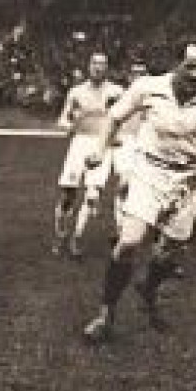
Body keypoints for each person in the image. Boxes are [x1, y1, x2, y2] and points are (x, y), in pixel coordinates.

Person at [82, 42, 196, 343]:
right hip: (148, 171)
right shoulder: (148, 87)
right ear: (175, 63)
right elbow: (114, 118)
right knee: (128, 243)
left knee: (168, 254)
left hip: (187, 180)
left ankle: (148, 289)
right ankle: (105, 315)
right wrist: (99, 149)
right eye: (189, 66)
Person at [52, 52, 125, 258]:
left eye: (102, 64)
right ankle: (60, 235)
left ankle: (77, 238)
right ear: (88, 66)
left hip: (101, 145)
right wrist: (70, 124)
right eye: (94, 63)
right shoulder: (76, 92)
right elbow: (62, 120)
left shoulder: (116, 91)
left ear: (107, 68)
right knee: (68, 194)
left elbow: (125, 118)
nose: (98, 67)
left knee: (92, 195)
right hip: (79, 144)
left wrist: (117, 136)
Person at [110, 60, 152, 228]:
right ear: (129, 76)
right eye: (135, 73)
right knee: (124, 184)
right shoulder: (120, 96)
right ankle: (120, 227)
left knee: (142, 187)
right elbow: (110, 119)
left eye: (142, 73)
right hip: (125, 144)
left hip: (146, 146)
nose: (138, 77)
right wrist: (112, 137)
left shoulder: (152, 98)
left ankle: (135, 225)